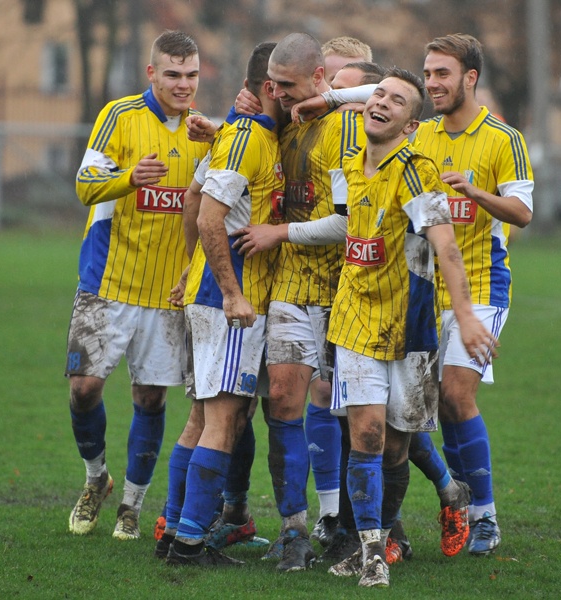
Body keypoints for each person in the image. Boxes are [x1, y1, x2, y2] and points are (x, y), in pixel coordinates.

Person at [325, 68, 495, 588]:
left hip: (411, 328)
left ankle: (404, 526)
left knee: (397, 448)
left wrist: (465, 317)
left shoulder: (418, 170)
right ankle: (371, 551)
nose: (382, 103)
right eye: (378, 94)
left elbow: (445, 244)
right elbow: (343, 227)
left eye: (397, 101)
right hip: (354, 319)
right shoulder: (346, 168)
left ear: (410, 123)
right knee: (367, 436)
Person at [224, 33, 365, 570]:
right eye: (272, 85)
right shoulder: (278, 124)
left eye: (287, 85)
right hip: (289, 290)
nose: (276, 93)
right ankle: (294, 531)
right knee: (281, 401)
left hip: (345, 290)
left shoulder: (344, 127)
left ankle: (355, 527)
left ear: (319, 79)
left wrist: (278, 233)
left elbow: (347, 222)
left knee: (359, 416)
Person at [65, 30, 210, 541]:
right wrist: (130, 178)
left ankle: (131, 503)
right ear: (151, 73)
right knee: (84, 389)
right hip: (107, 283)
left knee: (150, 400)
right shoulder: (119, 116)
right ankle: (95, 479)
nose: (183, 85)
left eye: (191, 75)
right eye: (172, 74)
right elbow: (85, 186)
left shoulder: (205, 133)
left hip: (168, 293)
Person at [160, 41, 286, 568]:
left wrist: (192, 267)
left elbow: (195, 199)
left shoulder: (241, 131)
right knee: (224, 420)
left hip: (210, 294)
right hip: (226, 303)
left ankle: (171, 528)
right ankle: (189, 542)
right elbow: (209, 215)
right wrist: (231, 292)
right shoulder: (248, 136)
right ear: (272, 88)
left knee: (201, 417)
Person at [416, 34, 533, 557]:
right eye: (428, 73)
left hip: (484, 284)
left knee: (457, 395)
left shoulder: (503, 139)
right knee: (431, 407)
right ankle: (455, 500)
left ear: (470, 78)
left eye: (442, 73)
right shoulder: (417, 135)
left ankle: (485, 518)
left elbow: (522, 214)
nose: (432, 83)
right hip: (422, 290)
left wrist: (474, 193)